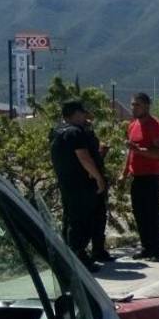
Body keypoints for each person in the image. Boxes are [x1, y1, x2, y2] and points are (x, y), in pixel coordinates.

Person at [50, 101, 107, 272]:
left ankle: (71, 255)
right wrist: (98, 177)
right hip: (81, 185)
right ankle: (79, 257)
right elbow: (83, 157)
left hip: (67, 183)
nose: (84, 117)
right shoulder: (75, 132)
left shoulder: (57, 131)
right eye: (82, 113)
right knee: (82, 221)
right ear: (75, 114)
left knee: (70, 219)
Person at [125, 92, 159, 260]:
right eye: (133, 105)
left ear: (147, 106)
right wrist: (124, 173)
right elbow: (130, 152)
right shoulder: (132, 125)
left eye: (137, 105)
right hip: (136, 175)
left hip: (151, 175)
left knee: (152, 213)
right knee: (139, 213)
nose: (134, 108)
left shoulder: (155, 125)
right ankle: (146, 247)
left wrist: (139, 150)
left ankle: (157, 250)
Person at [83, 114, 115, 263]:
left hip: (95, 181)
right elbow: (88, 160)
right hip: (90, 183)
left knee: (99, 217)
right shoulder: (81, 138)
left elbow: (96, 157)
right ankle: (88, 252)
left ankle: (98, 250)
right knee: (91, 218)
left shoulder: (89, 137)